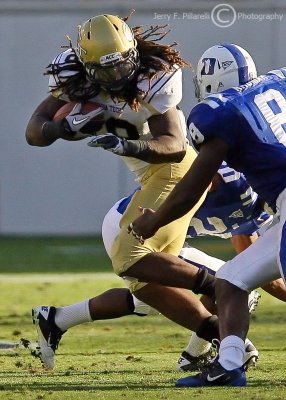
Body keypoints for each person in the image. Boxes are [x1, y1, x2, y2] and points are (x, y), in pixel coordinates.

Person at [26, 14, 220, 370]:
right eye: (105, 70)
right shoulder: (74, 79)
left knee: (128, 256)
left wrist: (127, 147)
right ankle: (228, 339)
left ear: (133, 52)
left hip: (175, 170)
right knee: (145, 287)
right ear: (86, 66)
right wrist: (61, 129)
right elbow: (34, 132)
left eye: (121, 65)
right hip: (151, 178)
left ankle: (219, 286)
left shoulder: (153, 75)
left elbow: (175, 145)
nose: (118, 77)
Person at [128, 43, 286, 387]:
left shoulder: (219, 112)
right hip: (282, 211)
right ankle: (229, 365)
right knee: (230, 279)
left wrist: (154, 221)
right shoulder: (279, 80)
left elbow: (192, 186)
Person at [31, 163, 269, 370]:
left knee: (151, 300)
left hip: (147, 231)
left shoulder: (256, 196)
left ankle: (57, 319)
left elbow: (253, 256)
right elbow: (255, 261)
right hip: (138, 229)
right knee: (233, 286)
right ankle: (200, 352)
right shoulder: (235, 178)